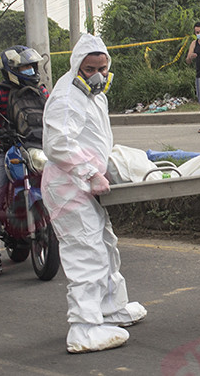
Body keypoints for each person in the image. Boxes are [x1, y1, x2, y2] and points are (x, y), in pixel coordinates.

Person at [42, 34, 147, 354]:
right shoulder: (66, 97)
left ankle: (111, 309)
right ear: (77, 66)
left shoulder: (94, 96)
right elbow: (58, 144)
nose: (98, 75)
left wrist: (109, 166)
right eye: (90, 69)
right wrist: (88, 172)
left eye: (103, 67)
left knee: (105, 244)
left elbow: (95, 139)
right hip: (68, 187)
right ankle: (83, 328)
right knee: (86, 252)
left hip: (86, 184)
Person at [0, 45, 48, 277]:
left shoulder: (42, 92)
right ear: (10, 69)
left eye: (31, 66)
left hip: (38, 151)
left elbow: (56, 113)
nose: (29, 71)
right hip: (7, 152)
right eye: (23, 67)